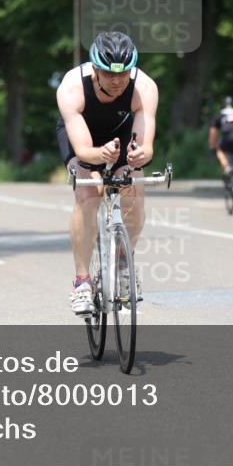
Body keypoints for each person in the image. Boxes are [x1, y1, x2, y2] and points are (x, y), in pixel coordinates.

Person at [56, 32, 158, 315]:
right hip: (83, 136)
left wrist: (139, 155)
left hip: (122, 131)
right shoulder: (71, 87)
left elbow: (145, 146)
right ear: (95, 70)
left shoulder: (144, 88)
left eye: (124, 74)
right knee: (89, 193)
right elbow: (84, 150)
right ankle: (81, 283)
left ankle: (124, 263)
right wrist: (99, 156)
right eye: (110, 75)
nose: (118, 81)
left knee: (133, 187)